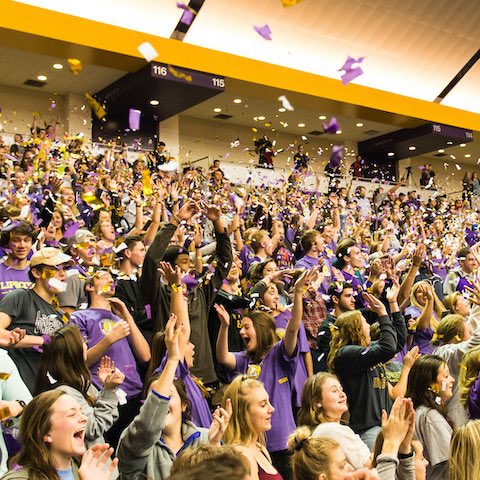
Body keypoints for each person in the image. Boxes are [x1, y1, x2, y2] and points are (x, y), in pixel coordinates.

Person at [216, 269, 318, 478]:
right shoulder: (245, 359)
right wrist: (225, 327)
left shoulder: (278, 354)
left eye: (246, 327)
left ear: (261, 329)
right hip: (256, 444)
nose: (242, 333)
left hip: (282, 442)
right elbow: (223, 357)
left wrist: (297, 293)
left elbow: (292, 330)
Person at [117, 313, 231, 480]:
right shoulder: (136, 445)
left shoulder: (205, 437)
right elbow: (147, 426)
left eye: (168, 396)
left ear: (184, 404)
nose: (161, 404)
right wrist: (172, 360)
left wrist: (213, 446)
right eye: (153, 400)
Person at [69, 269, 150, 448]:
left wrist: (127, 316)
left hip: (134, 393)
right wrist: (110, 339)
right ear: (90, 286)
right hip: (102, 394)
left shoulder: (119, 317)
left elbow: (145, 355)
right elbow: (80, 362)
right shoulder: (79, 317)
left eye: (112, 277)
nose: (110, 279)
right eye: (103, 277)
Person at [327, 288, 407, 449]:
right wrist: (382, 314)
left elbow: (398, 342)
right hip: (368, 430)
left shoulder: (364, 351)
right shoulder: (346, 354)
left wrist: (392, 304)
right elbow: (388, 348)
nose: (368, 326)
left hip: (383, 425)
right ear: (355, 329)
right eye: (365, 323)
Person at [35, 324, 124, 448]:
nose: (86, 345)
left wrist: (108, 388)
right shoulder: (65, 393)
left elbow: (110, 417)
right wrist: (108, 391)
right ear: (73, 351)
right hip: (86, 461)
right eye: (82, 341)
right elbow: (93, 428)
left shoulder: (83, 383)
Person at [1, 390, 118, 480]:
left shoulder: (85, 470)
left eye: (82, 412)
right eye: (72, 414)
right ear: (45, 432)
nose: (84, 418)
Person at [0, 247, 71, 392]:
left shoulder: (61, 314)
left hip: (49, 390)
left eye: (64, 268)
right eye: (56, 268)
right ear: (37, 272)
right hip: (18, 388)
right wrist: (41, 340)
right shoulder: (20, 297)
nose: (63, 274)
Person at [297, 372, 371, 470]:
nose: (342, 394)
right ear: (317, 402)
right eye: (334, 391)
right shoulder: (331, 430)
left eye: (341, 389)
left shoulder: (325, 429)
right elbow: (368, 465)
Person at [221, 375, 281, 480]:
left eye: (269, 402)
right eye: (263, 405)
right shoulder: (242, 455)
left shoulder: (260, 448)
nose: (271, 409)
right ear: (243, 413)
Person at [406, 355, 454, 480]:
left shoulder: (421, 411)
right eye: (446, 376)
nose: (452, 380)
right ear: (431, 384)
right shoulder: (430, 416)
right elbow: (453, 459)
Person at [0, 220, 37, 299]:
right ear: (7, 243)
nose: (22, 245)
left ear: (31, 243)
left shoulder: (38, 273)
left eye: (26, 240)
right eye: (16, 240)